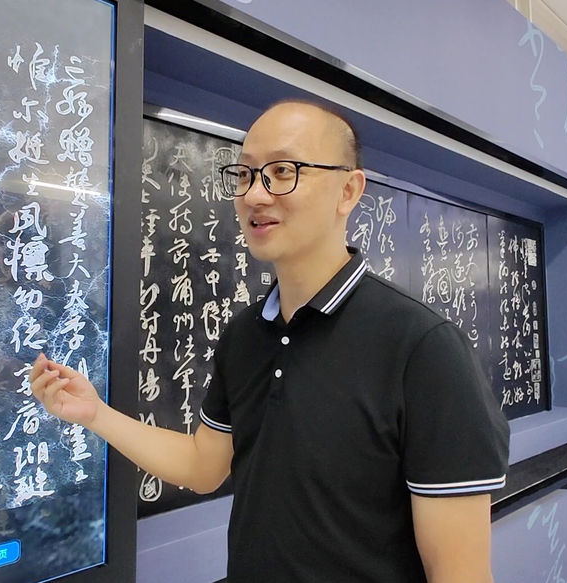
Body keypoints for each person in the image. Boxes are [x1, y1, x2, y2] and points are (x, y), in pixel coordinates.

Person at [28, 100, 510, 583]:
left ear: (348, 190)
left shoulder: (423, 348)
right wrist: (96, 414)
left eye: (283, 172)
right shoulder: (245, 335)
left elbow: (459, 572)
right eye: (245, 175)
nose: (256, 194)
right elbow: (203, 466)